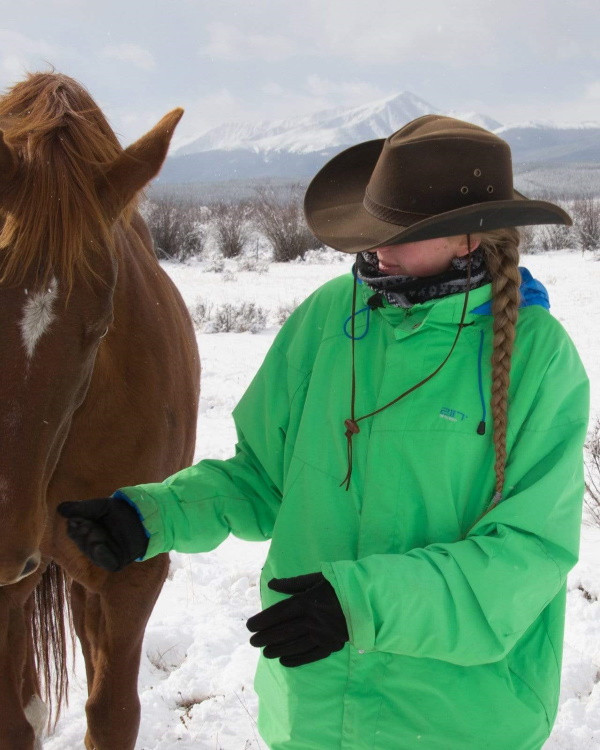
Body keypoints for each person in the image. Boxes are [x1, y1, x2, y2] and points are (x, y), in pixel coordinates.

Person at [58, 115, 590, 750]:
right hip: (313, 712)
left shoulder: (540, 359)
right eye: (373, 229)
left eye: (402, 232)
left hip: (458, 720)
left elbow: (526, 554)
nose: (375, 250)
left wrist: (359, 606)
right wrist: (151, 516)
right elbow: (264, 479)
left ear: (469, 235)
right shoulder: (326, 321)